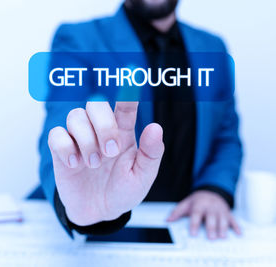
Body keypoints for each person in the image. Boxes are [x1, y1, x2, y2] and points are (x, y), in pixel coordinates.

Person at [38, 0, 243, 239]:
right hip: (110, 232)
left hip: (189, 227)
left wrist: (214, 189)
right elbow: (61, 126)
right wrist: (73, 204)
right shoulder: (79, 40)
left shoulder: (213, 49)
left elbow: (226, 137)